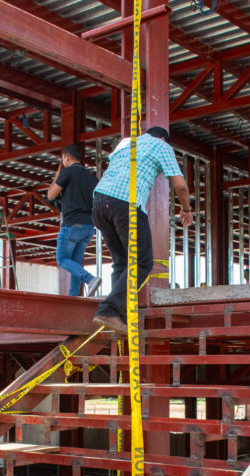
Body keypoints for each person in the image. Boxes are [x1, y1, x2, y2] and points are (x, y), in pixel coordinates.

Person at [91, 127, 193, 333]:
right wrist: (186, 209)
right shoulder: (162, 146)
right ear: (164, 138)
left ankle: (117, 315)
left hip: (99, 202)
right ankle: (110, 310)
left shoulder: (126, 143)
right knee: (143, 262)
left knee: (122, 262)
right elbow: (180, 186)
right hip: (125, 203)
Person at [48, 144, 102, 297]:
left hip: (72, 225)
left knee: (62, 259)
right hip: (88, 227)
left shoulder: (67, 173)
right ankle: (74, 296)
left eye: (62, 159)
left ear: (66, 157)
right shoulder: (92, 178)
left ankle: (90, 279)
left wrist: (57, 175)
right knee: (75, 264)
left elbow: (51, 195)